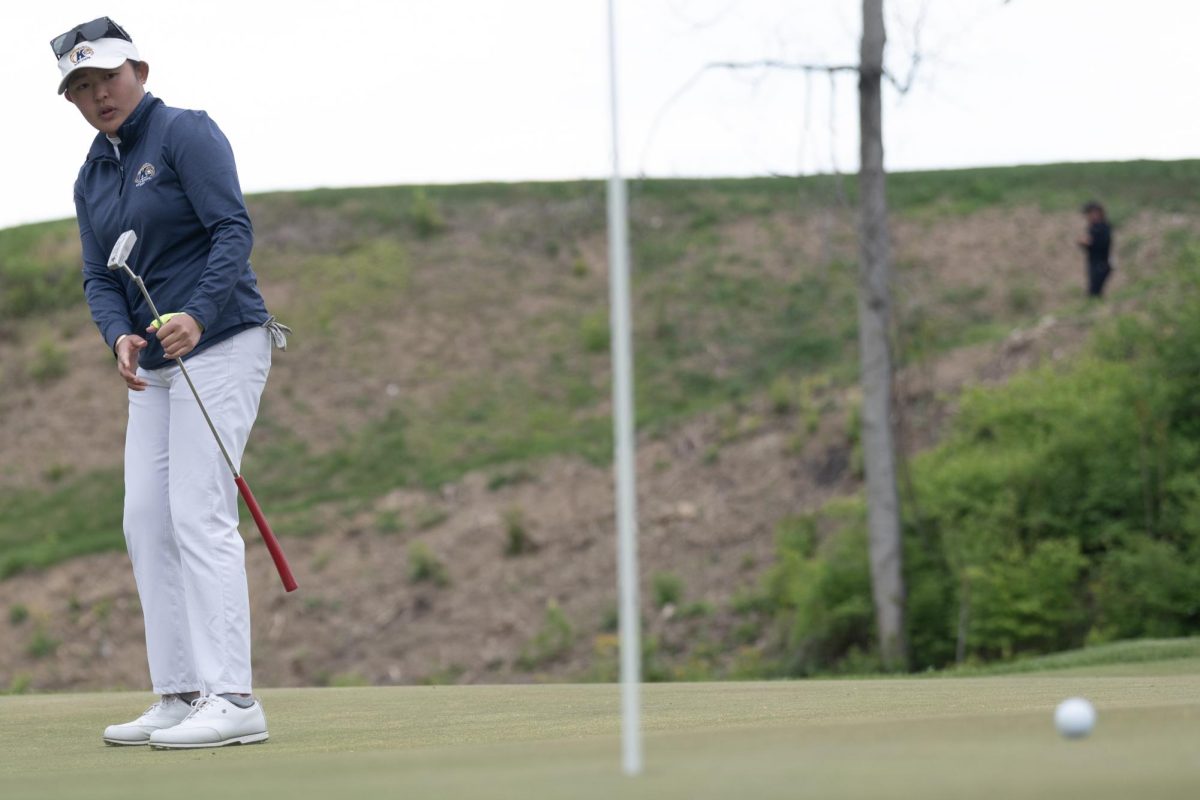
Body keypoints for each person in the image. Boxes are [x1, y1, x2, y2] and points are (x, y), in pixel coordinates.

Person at [53, 17, 288, 749]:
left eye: (108, 78)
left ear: (140, 71)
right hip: (153, 366)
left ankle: (235, 698)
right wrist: (116, 333)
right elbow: (99, 274)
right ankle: (181, 693)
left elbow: (231, 230)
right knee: (145, 519)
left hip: (223, 342)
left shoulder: (187, 132)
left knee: (196, 510)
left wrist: (198, 311)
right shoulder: (92, 174)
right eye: (82, 86)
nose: (99, 95)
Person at [1077, 201, 1113, 298]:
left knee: (1095, 292)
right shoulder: (1093, 227)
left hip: (1101, 264)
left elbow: (1103, 244)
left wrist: (1090, 242)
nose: (1089, 216)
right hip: (1094, 263)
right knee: (1093, 291)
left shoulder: (1103, 227)